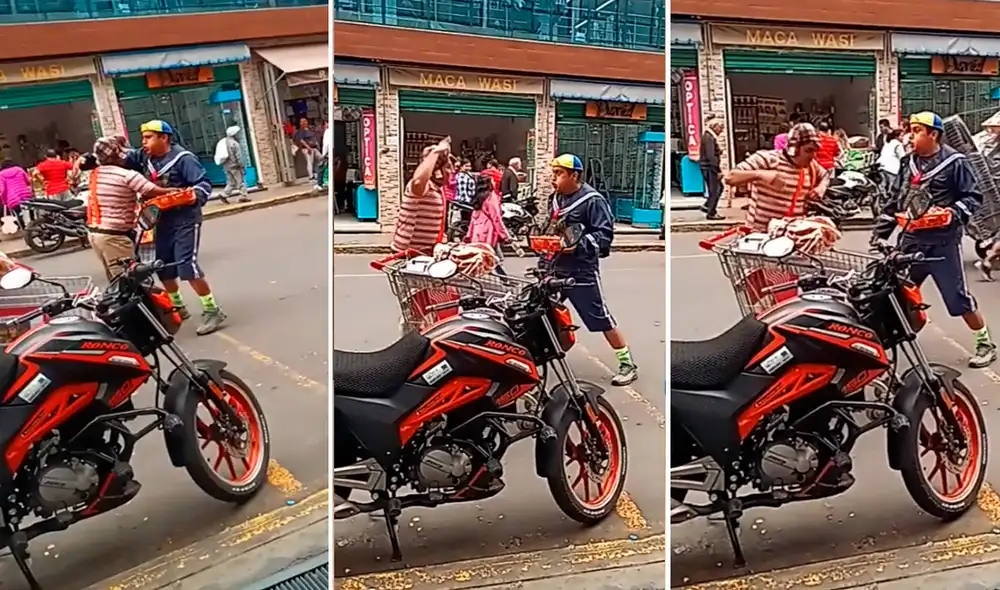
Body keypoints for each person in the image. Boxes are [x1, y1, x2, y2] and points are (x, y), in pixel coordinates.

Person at [873, 112, 996, 368]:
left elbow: (973, 198)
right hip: (910, 239)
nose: (910, 136)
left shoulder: (955, 163)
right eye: (910, 130)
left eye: (917, 131)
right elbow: (896, 199)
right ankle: (895, 338)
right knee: (897, 292)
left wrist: (952, 213)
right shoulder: (909, 162)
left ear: (933, 134)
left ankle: (985, 343)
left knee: (957, 298)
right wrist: (881, 234)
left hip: (942, 242)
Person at [124, 120, 227, 335]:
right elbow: (123, 158)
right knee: (163, 267)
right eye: (143, 138)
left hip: (185, 220)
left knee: (186, 265)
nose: (144, 143)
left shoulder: (184, 159)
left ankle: (212, 309)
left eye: (149, 138)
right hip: (159, 221)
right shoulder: (145, 157)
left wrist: (187, 196)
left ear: (164, 138)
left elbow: (203, 185)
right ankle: (177, 306)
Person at [548, 153, 637, 385]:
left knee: (600, 317)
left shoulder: (592, 201)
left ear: (574, 175)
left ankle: (627, 363)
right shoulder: (556, 199)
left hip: (581, 271)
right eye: (553, 173)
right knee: (543, 313)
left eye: (558, 174)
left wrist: (576, 245)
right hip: (553, 267)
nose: (553, 179)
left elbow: (604, 237)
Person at [86, 137, 174, 280]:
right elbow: (152, 190)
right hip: (114, 237)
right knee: (131, 282)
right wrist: (178, 190)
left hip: (95, 234)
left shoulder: (95, 173)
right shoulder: (126, 175)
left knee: (116, 280)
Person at [724, 123, 829, 232]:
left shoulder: (811, 166)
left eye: (815, 151)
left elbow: (825, 175)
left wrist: (821, 187)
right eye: (808, 150)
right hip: (761, 234)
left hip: (793, 233)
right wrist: (761, 175)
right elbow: (730, 177)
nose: (812, 156)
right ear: (794, 148)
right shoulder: (768, 159)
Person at [391, 137, 451, 255]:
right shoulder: (421, 186)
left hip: (425, 252)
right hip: (410, 253)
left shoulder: (436, 187)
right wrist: (435, 152)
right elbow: (419, 180)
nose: (451, 170)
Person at [466, 174, 511, 275]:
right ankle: (503, 278)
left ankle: (503, 278)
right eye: (493, 181)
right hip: (488, 231)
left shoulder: (478, 197)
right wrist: (504, 235)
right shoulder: (491, 197)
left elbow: (473, 217)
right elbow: (496, 218)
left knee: (488, 255)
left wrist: (469, 234)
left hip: (477, 231)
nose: (495, 183)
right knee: (493, 256)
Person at [217, 126, 251, 205]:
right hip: (235, 166)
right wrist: (242, 166)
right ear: (234, 134)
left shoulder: (224, 142)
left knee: (231, 182)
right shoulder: (235, 144)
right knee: (241, 181)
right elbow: (238, 157)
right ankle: (243, 196)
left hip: (226, 166)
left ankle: (223, 194)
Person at [699, 117, 725, 220]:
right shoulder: (709, 137)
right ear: (714, 127)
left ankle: (707, 205)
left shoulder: (708, 137)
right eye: (721, 128)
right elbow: (710, 156)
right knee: (715, 189)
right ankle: (711, 212)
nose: (721, 130)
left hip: (708, 167)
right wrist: (718, 170)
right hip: (710, 168)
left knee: (719, 187)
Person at [0, 160, 33, 229]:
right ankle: (32, 226)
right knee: (28, 210)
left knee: (18, 214)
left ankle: (24, 228)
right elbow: (28, 181)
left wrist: (3, 200)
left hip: (12, 198)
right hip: (25, 195)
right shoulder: (19, 169)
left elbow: (2, 189)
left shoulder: (1, 174)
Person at [317, 120, 331, 192]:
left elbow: (326, 144)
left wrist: (324, 154)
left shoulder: (328, 131)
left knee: (320, 167)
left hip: (328, 153)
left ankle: (319, 184)